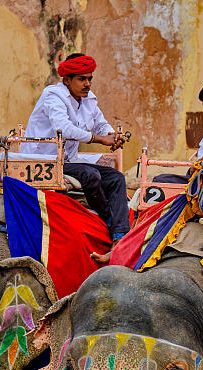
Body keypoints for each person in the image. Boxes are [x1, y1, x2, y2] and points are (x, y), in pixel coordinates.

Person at [21, 53, 129, 263]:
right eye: (82, 79)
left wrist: (112, 135)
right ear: (67, 80)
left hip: (67, 161)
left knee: (116, 178)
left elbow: (99, 123)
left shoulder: (88, 98)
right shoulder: (53, 95)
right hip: (45, 161)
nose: (87, 83)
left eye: (89, 78)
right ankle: (107, 219)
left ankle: (119, 238)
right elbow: (64, 128)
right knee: (90, 174)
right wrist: (99, 139)